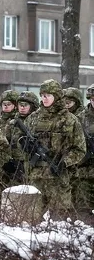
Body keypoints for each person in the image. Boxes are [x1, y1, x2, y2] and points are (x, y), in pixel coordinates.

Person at [19, 79, 86, 213]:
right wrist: (24, 144)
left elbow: (80, 149)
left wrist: (64, 162)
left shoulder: (70, 120)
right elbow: (20, 139)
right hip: (35, 178)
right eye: (42, 95)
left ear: (57, 96)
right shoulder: (33, 118)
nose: (44, 99)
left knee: (59, 217)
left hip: (58, 179)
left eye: (48, 95)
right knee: (32, 216)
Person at [3, 91, 40, 185]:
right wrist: (7, 161)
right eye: (20, 105)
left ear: (33, 106)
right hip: (16, 167)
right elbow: (4, 145)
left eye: (25, 105)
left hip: (35, 167)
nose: (22, 108)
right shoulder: (11, 124)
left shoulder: (38, 123)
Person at [74, 84, 94, 211]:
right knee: (83, 211)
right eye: (93, 98)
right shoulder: (80, 118)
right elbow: (72, 145)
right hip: (85, 175)